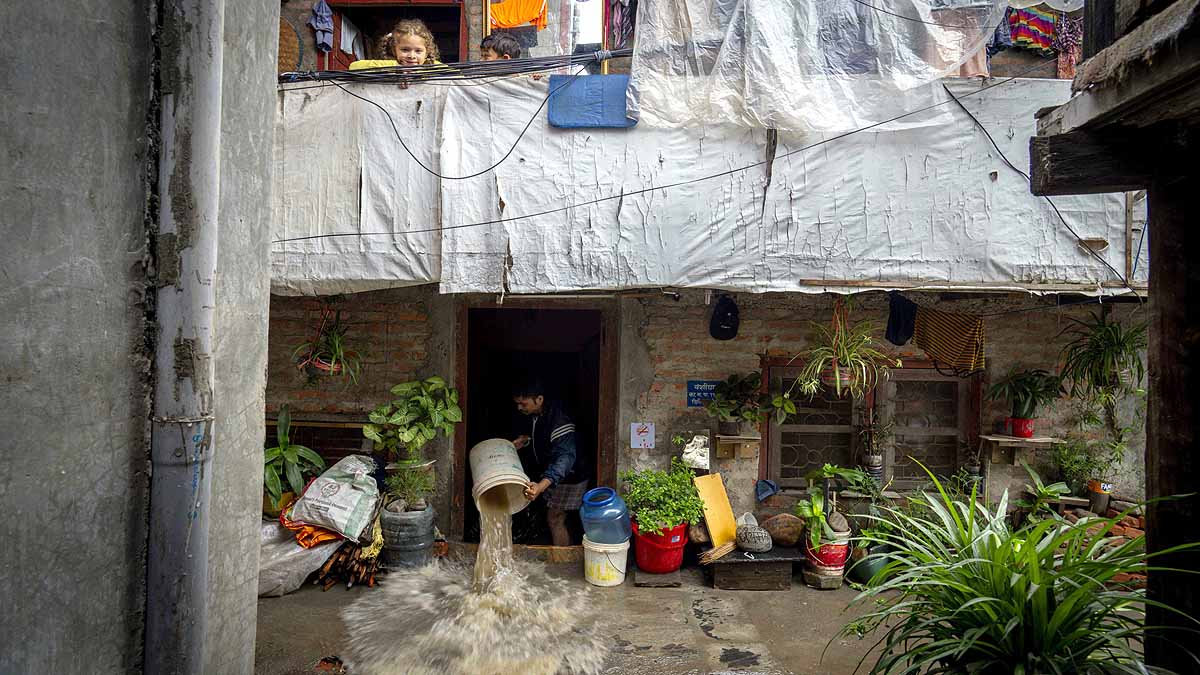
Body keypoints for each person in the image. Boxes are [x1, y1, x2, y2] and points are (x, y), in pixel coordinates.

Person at [511, 378, 590, 546]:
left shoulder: (560, 421)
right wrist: (526, 440)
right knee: (554, 516)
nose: (519, 408)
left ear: (539, 399)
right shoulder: (537, 414)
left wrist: (540, 486)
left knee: (555, 518)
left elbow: (565, 459)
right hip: (555, 472)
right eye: (517, 403)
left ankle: (561, 562)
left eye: (523, 404)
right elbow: (544, 438)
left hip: (570, 475)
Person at [349, 19, 441, 71]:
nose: (412, 56)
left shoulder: (431, 67)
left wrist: (420, 71)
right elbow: (354, 67)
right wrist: (396, 68)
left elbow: (452, 72)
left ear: (427, 52)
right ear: (394, 50)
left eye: (418, 51)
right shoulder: (387, 68)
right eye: (405, 50)